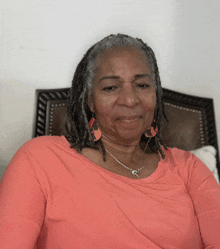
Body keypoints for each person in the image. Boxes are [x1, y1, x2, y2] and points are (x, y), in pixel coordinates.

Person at [0, 34, 220, 248]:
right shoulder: (40, 159)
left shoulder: (189, 169)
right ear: (90, 101)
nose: (130, 99)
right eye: (110, 87)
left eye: (142, 85)